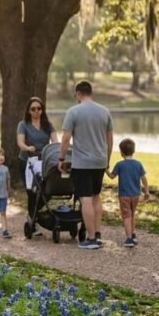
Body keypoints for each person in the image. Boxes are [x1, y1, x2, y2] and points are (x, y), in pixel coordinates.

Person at [58, 80, 113, 250]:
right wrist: (107, 160)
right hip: (100, 161)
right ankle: (97, 234)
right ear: (91, 93)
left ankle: (90, 239)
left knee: (86, 199)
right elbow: (109, 140)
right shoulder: (104, 112)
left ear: (78, 94)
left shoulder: (73, 112)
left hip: (82, 162)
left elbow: (66, 138)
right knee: (96, 197)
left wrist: (61, 159)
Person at [17, 97, 58, 230]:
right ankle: (32, 219)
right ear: (29, 111)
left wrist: (57, 152)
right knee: (32, 192)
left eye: (39, 108)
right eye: (33, 109)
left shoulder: (48, 125)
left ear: (42, 110)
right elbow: (20, 142)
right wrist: (27, 148)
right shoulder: (23, 125)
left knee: (49, 189)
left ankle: (34, 214)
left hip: (43, 161)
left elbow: (55, 141)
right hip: (27, 160)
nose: (36, 111)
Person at [107, 138, 149, 248]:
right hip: (136, 194)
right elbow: (144, 178)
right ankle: (133, 234)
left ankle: (129, 238)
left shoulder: (120, 165)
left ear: (121, 152)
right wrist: (147, 191)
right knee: (132, 214)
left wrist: (105, 169)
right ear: (133, 151)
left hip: (124, 195)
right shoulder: (138, 164)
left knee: (126, 215)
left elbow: (112, 176)